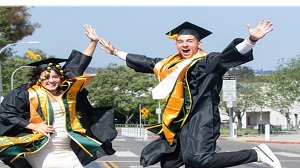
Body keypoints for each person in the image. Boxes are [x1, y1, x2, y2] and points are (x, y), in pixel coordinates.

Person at [98, 18, 281, 168]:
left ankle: (255, 153)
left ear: (198, 43)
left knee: (199, 161)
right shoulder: (171, 64)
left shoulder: (207, 62)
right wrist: (116, 52)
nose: (184, 45)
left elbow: (227, 57)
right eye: (180, 41)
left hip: (202, 118)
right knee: (168, 163)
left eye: (189, 41)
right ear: (176, 44)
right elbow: (148, 62)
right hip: (179, 122)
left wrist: (251, 41)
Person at [0, 24, 117, 168]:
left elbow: (77, 65)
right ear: (38, 78)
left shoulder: (66, 91)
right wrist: (34, 126)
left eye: (55, 77)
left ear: (61, 78)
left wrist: (93, 42)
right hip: (42, 149)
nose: (51, 81)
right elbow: (6, 114)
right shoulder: (27, 93)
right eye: (45, 77)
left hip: (66, 148)